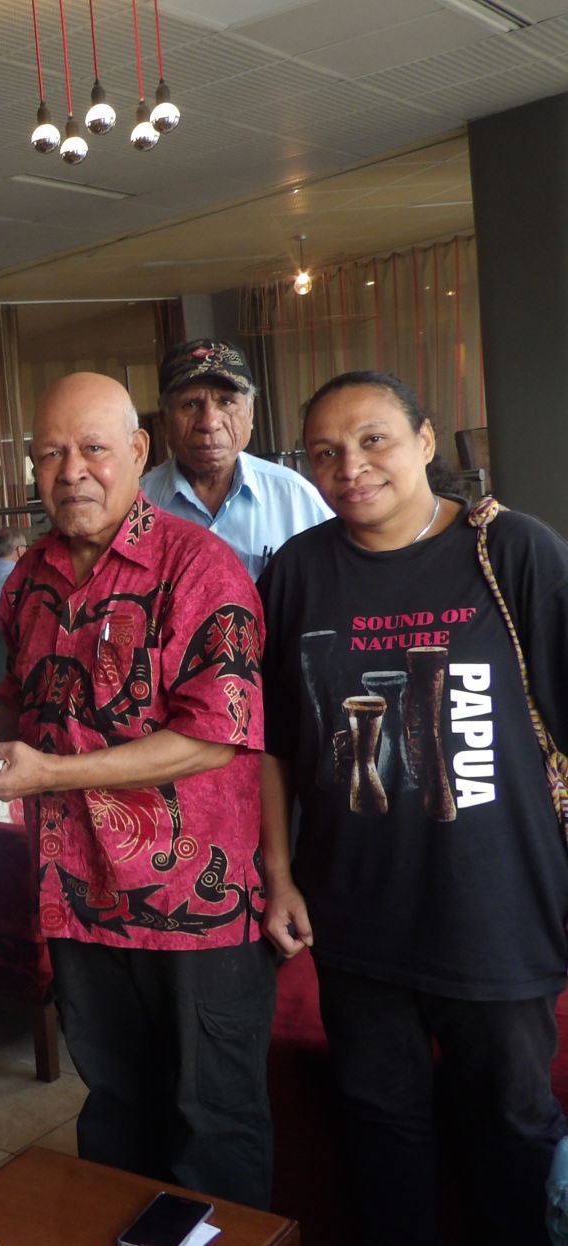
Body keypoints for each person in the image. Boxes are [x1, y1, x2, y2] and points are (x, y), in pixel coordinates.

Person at [0, 371, 276, 1208]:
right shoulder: (28, 580)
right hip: (80, 896)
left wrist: (49, 773)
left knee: (213, 1124)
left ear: (137, 451)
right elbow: (25, 705)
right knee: (116, 1113)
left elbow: (214, 735)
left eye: (93, 449)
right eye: (51, 454)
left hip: (195, 905)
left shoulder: (199, 566)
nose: (72, 471)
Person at [258, 370, 568, 1244]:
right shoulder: (299, 571)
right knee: (381, 1132)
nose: (350, 466)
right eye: (325, 451)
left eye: (374, 440)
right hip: (356, 916)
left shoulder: (512, 551)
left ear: (426, 442)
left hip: (498, 913)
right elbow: (273, 743)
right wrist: (279, 875)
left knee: (512, 1129)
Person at [141, 338, 331, 576]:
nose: (209, 423)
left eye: (226, 402)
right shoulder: (137, 504)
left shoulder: (296, 498)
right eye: (190, 404)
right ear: (164, 419)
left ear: (250, 413)